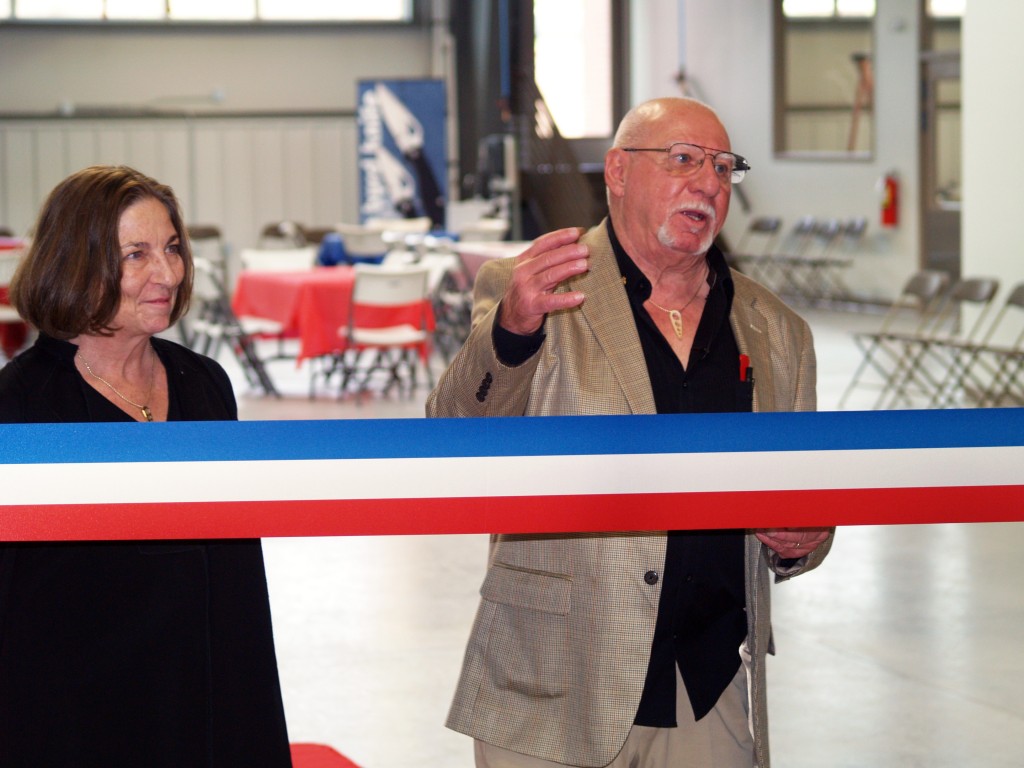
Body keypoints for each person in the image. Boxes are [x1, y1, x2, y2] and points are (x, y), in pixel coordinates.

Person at [426, 97, 834, 768]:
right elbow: (453, 437)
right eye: (683, 160)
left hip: (706, 689)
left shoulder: (777, 330)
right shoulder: (532, 292)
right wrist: (510, 333)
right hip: (550, 685)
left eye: (723, 168)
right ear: (617, 172)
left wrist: (802, 541)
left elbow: (806, 505)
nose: (707, 183)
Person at [0, 165, 292, 766]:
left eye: (172, 249)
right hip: (77, 727)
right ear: (75, 263)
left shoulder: (205, 383)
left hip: (211, 710)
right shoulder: (20, 405)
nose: (167, 273)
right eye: (136, 254)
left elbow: (237, 576)